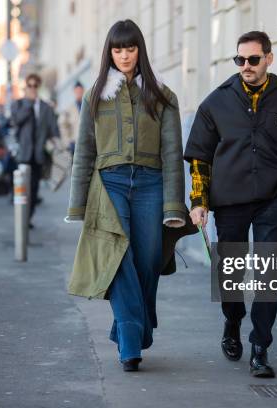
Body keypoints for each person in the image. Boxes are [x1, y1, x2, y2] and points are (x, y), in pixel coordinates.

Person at [184, 31, 277, 378]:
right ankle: (233, 321)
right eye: (240, 60)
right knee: (229, 274)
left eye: (253, 60)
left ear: (269, 59)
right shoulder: (215, 103)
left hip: (272, 202)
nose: (246, 66)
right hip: (228, 203)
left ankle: (261, 348)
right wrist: (199, 201)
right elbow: (199, 158)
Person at [65, 19, 192, 372]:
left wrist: (173, 204)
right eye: (117, 49)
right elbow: (84, 153)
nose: (124, 55)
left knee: (149, 260)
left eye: (130, 48)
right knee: (119, 258)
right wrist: (78, 204)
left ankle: (126, 328)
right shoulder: (94, 96)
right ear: (109, 52)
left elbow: (172, 153)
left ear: (140, 51)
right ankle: (132, 342)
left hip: (152, 184)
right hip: (110, 186)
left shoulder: (164, 96)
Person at [11, 73, 60, 227]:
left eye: (35, 86)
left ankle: (27, 218)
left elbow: (54, 130)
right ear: (26, 87)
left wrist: (58, 145)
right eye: (29, 86)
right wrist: (28, 104)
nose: (32, 88)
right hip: (23, 154)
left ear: (38, 87)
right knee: (22, 189)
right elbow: (15, 121)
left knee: (33, 190)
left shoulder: (46, 107)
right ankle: (22, 216)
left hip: (39, 155)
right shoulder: (19, 104)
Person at [58, 81, 84, 156]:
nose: (79, 92)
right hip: (75, 144)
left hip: (88, 143)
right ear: (74, 92)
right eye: (77, 91)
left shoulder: (88, 106)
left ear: (83, 91)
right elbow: (63, 125)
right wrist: (68, 142)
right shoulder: (69, 109)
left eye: (80, 90)